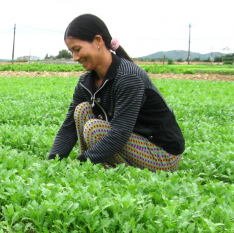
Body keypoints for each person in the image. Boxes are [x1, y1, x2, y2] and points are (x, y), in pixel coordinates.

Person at [49, 14, 185, 172]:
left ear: (98, 41)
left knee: (95, 129)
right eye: (71, 51)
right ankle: (96, 166)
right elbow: (69, 126)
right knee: (81, 111)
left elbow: (120, 133)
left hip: (162, 154)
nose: (75, 57)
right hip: (134, 142)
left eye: (77, 49)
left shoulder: (128, 77)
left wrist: (78, 164)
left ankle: (96, 167)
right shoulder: (86, 82)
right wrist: (53, 163)